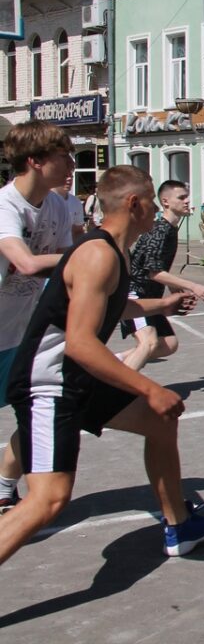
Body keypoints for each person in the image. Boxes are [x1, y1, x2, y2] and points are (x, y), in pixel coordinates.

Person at [0, 165, 204, 564]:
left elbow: (108, 308)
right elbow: (80, 344)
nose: (156, 213)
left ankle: (180, 526)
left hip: (74, 376)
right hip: (50, 381)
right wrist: (151, 388)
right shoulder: (96, 255)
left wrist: (163, 304)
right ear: (134, 203)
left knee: (159, 421)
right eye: (150, 203)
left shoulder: (112, 251)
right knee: (49, 500)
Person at [0, 120, 77, 514]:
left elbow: (65, 270)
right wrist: (90, 255)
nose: (71, 163)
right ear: (35, 161)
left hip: (22, 335)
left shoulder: (58, 205)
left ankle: (6, 487)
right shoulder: (5, 206)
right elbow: (27, 263)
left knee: (32, 416)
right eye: (63, 155)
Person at [119, 180, 204, 373]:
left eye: (187, 196)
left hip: (150, 297)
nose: (188, 201)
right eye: (182, 198)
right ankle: (118, 389)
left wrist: (174, 290)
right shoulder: (160, 230)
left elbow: (157, 268)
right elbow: (152, 271)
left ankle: (114, 363)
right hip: (135, 295)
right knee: (149, 342)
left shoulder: (170, 229)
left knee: (169, 344)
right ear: (165, 202)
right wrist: (193, 286)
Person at [52, 173, 87, 245]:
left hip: (66, 251)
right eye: (65, 176)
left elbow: (78, 231)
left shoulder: (75, 202)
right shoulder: (46, 199)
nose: (69, 179)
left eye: (71, 176)